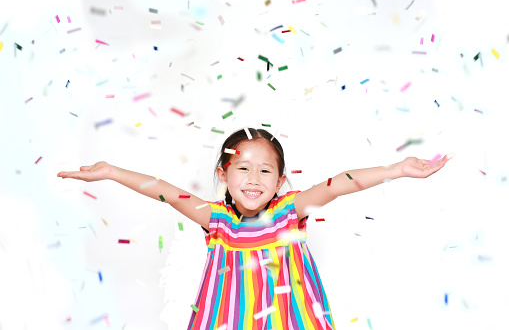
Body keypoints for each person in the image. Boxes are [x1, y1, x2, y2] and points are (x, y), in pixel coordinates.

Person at [57, 127, 453, 329]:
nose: (253, 178)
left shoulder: (289, 211)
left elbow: (340, 183)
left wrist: (398, 170)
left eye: (265, 170)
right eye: (242, 168)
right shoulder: (218, 220)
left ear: (280, 181)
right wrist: (110, 172)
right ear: (223, 174)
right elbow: (163, 191)